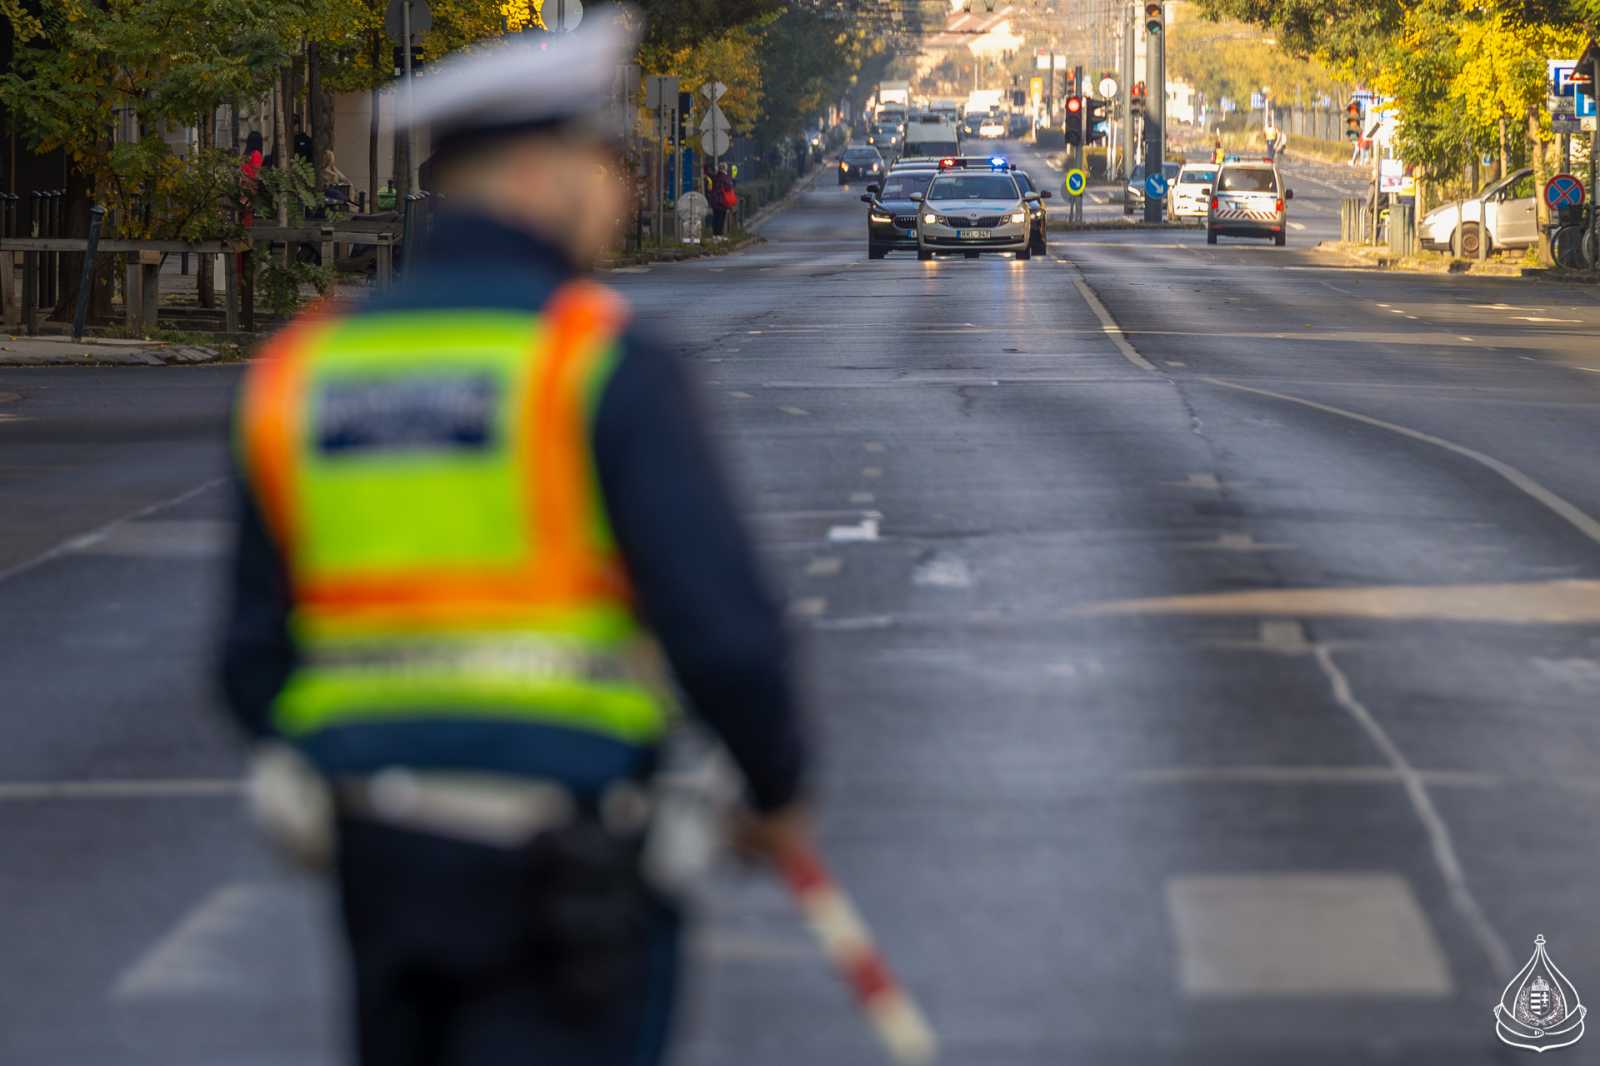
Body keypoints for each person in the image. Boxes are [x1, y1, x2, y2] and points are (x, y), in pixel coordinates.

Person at [218, 13, 810, 1066]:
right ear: (545, 176)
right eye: (608, 164)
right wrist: (773, 791)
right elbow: (724, 634)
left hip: (379, 859)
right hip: (565, 865)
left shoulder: (307, 367)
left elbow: (249, 655)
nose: (622, 193)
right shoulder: (594, 363)